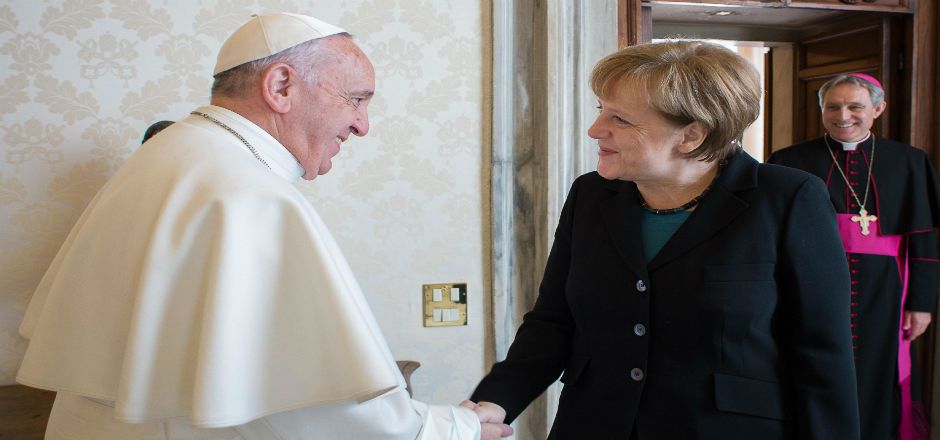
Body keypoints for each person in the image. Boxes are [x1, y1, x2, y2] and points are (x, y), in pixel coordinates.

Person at [15, 12, 511, 440]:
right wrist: (456, 427)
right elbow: (312, 408)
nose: (363, 125)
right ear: (280, 86)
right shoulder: (246, 195)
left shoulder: (167, 158)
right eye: (356, 99)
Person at [468, 41, 860, 439]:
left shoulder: (788, 198)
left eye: (619, 118)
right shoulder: (591, 196)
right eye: (600, 109)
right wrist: (495, 403)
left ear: (691, 135)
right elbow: (553, 320)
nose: (595, 130)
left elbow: (822, 354)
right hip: (593, 425)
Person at [768, 73, 940, 440]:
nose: (843, 115)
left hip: (886, 288)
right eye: (833, 106)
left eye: (855, 106)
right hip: (811, 281)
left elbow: (922, 238)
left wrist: (922, 303)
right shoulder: (789, 160)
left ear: (877, 109)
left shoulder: (909, 161)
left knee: (880, 370)